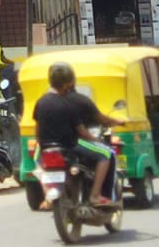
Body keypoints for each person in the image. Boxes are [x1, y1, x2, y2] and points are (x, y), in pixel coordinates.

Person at [32, 61, 124, 208]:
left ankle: (48, 195)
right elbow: (82, 133)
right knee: (106, 154)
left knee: (38, 165)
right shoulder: (69, 104)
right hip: (70, 146)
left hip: (46, 147)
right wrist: (98, 141)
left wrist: (41, 145)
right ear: (68, 84)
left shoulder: (41, 102)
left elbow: (37, 130)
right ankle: (95, 195)